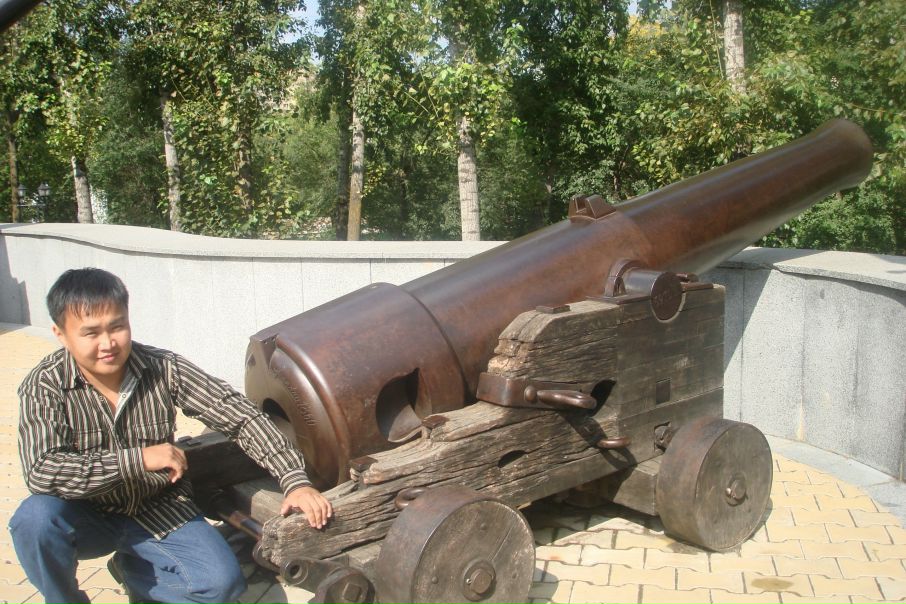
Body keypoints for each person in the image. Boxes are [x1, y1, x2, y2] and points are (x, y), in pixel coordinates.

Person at [9, 268, 332, 604]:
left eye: (117, 327)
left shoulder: (162, 367)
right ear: (60, 335)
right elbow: (41, 470)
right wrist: (137, 459)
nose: (108, 344)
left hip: (157, 507)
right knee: (35, 520)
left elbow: (240, 416)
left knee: (221, 586)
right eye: (91, 333)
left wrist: (295, 480)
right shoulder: (45, 384)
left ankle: (137, 572)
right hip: (86, 513)